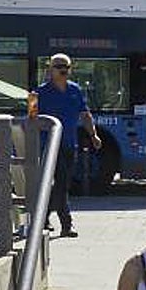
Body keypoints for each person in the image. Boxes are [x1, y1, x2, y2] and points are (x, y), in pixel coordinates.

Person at [32, 53, 102, 238]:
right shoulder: (39, 93)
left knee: (62, 184)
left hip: (69, 144)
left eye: (66, 67)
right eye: (59, 67)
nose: (63, 70)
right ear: (50, 69)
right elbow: (31, 119)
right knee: (56, 184)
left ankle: (43, 218)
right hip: (48, 146)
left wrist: (93, 135)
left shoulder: (75, 90)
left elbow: (85, 114)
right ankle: (66, 224)